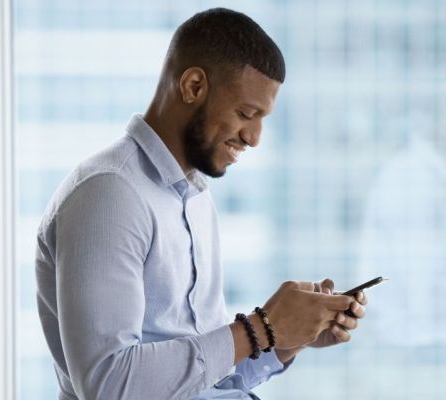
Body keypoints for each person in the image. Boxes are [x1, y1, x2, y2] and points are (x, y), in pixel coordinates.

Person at [35, 7, 367, 400]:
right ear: (193, 86)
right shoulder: (109, 195)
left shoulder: (194, 198)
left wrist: (287, 338)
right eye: (246, 113)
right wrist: (262, 328)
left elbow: (201, 378)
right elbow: (110, 385)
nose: (255, 137)